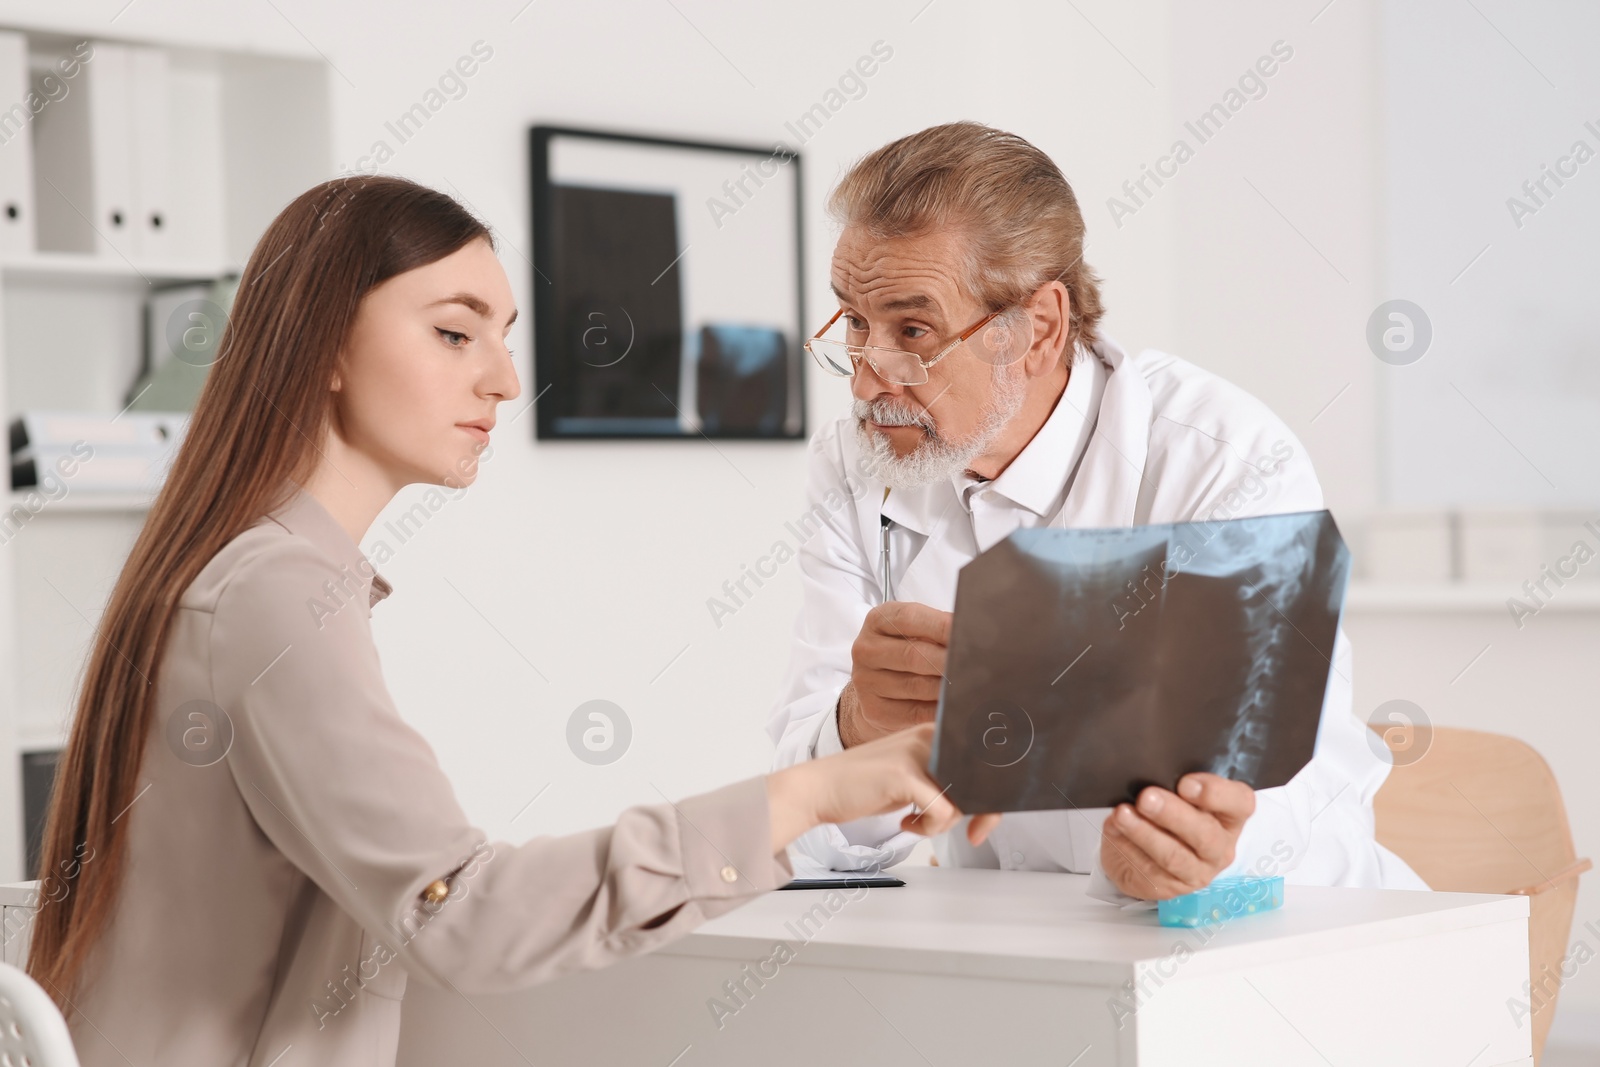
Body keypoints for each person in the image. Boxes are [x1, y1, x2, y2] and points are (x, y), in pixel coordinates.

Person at [25, 175, 996, 1066]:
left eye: (505, 333)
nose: (502, 378)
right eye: (456, 333)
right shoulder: (274, 592)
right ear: (322, 345)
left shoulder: (247, 571)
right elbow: (461, 917)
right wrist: (812, 791)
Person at [767, 121, 1429, 905]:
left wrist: (1200, 854)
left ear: (1038, 328)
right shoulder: (857, 466)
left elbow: (1287, 786)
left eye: (913, 330)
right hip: (1030, 945)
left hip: (1295, 928)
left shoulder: (1223, 459)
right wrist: (860, 725)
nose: (867, 381)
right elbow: (800, 843)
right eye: (854, 324)